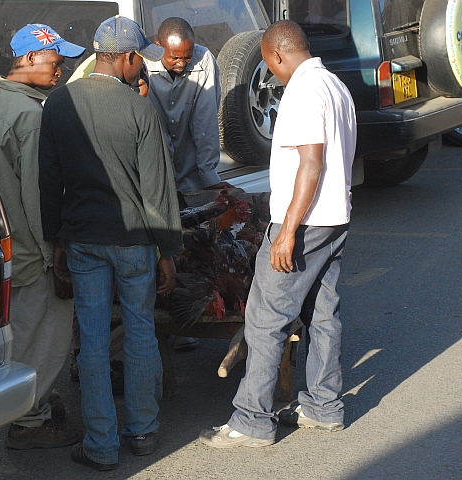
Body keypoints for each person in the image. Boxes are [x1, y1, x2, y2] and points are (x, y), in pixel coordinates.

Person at [199, 20, 356, 448]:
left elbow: (311, 163)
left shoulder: (304, 92)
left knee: (265, 318)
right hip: (334, 218)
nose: (272, 73)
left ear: (275, 56)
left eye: (270, 65)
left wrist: (287, 232)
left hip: (304, 223)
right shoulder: (335, 86)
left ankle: (251, 420)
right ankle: (324, 406)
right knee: (322, 313)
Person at [38, 15, 182, 471]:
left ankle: (101, 444)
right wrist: (168, 251)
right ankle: (142, 430)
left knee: (94, 342)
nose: (142, 68)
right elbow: (158, 191)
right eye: (140, 59)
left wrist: (55, 240)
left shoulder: (58, 105)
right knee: (140, 332)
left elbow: (49, 183)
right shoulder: (141, 111)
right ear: (124, 57)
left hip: (81, 242)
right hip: (135, 243)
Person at [0, 23, 85, 450]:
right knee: (46, 339)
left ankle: (31, 405)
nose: (62, 69)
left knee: (20, 334)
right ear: (29, 59)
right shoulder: (32, 116)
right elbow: (40, 197)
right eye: (56, 61)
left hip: (0, 246)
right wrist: (55, 251)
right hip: (32, 251)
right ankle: (29, 422)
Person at [146, 17, 231, 352]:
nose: (181, 63)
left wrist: (208, 176)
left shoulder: (204, 60)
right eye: (174, 58)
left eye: (186, 56)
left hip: (192, 161)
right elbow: (149, 124)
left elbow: (206, 122)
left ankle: (186, 320)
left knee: (195, 244)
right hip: (156, 161)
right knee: (164, 243)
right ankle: (162, 318)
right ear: (157, 46)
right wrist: (161, 179)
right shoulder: (144, 63)